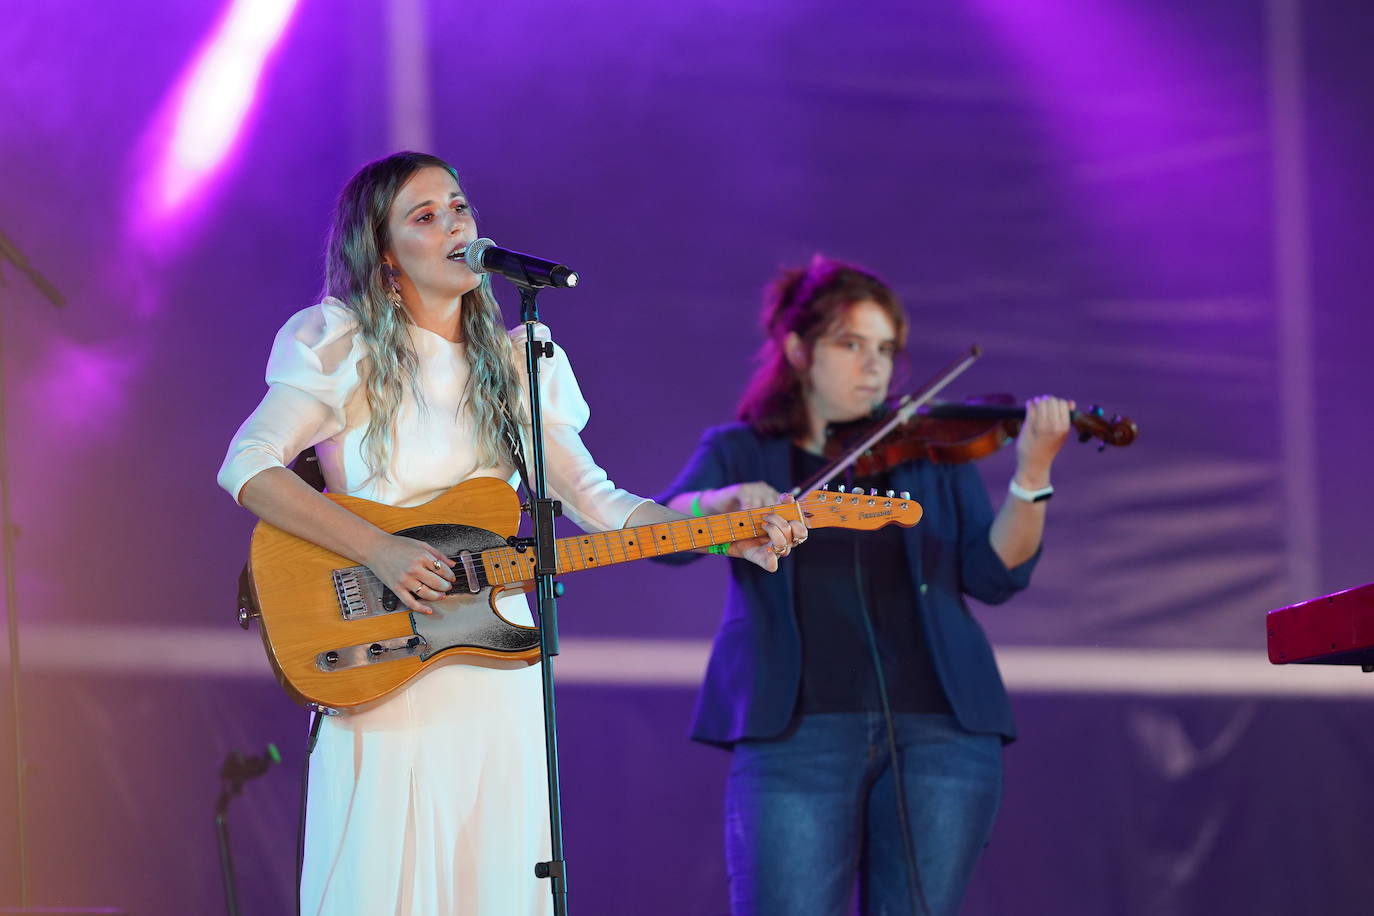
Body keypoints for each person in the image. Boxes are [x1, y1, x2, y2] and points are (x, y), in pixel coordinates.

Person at [216, 151, 806, 915]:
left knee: (493, 876)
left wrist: (728, 534)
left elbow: (603, 503)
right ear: (384, 255)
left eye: (458, 207)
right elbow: (247, 465)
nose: (454, 224)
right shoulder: (341, 343)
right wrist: (381, 549)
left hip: (496, 662)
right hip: (385, 653)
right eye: (424, 217)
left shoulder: (520, 359)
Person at [656, 255, 1074, 915]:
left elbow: (993, 576)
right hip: (794, 732)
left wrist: (1032, 478)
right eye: (851, 345)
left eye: (885, 349)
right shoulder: (740, 448)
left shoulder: (929, 448)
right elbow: (663, 538)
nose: (874, 365)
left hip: (941, 731)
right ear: (798, 349)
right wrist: (724, 501)